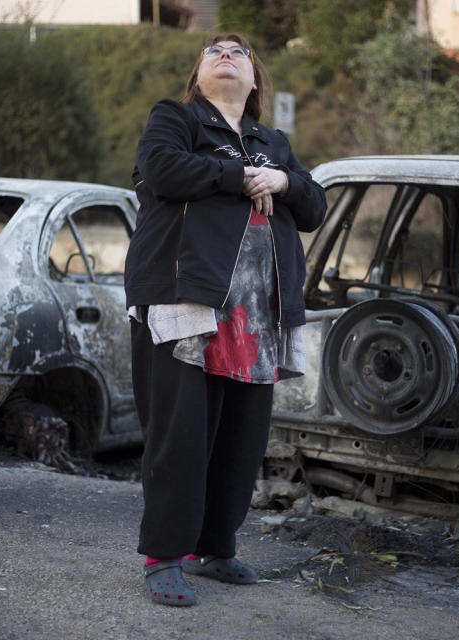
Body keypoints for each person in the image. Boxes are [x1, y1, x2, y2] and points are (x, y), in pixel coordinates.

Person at [125, 33, 327, 607]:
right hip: (184, 299)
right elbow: (160, 170)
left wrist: (283, 180)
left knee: (240, 436)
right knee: (180, 434)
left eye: (238, 52)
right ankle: (163, 555)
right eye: (214, 51)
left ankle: (215, 547)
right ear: (198, 74)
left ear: (255, 79)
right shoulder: (177, 119)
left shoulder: (273, 142)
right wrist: (239, 177)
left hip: (256, 316)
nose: (226, 55)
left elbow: (314, 206)